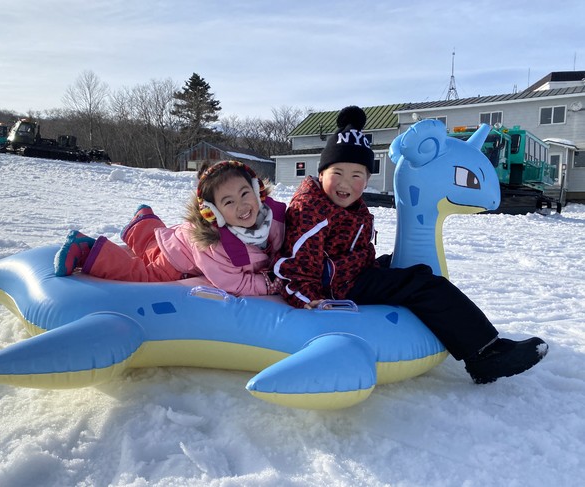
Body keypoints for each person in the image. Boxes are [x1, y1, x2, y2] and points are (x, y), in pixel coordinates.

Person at [273, 105, 548, 384]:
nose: (346, 183)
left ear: (367, 179)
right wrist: (310, 300)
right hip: (338, 286)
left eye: (356, 175)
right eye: (337, 173)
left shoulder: (347, 205)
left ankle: (461, 328)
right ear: (321, 174)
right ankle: (484, 353)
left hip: (352, 269)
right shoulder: (312, 211)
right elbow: (295, 267)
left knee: (412, 265)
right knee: (424, 282)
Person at [54, 160, 286, 296]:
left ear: (257, 191)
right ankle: (87, 250)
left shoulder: (273, 217)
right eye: (228, 202)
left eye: (245, 193)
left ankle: (143, 222)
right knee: (142, 273)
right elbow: (234, 283)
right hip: (174, 261)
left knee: (151, 246)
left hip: (176, 239)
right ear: (212, 213)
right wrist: (267, 284)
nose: (242, 205)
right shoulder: (217, 247)